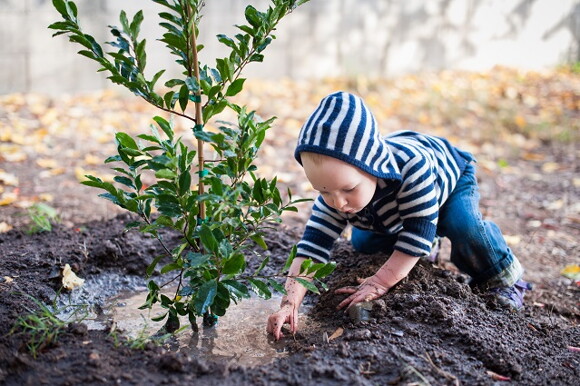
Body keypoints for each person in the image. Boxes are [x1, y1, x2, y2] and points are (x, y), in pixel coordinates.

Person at [266, 91, 531, 340]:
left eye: (348, 189)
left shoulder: (412, 168)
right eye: (323, 191)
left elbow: (417, 232)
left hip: (447, 182)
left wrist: (380, 282)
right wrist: (289, 303)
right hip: (390, 201)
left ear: (370, 166)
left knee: (463, 225)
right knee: (365, 243)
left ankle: (503, 277)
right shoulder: (338, 194)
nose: (338, 202)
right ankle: (423, 249)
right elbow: (312, 248)